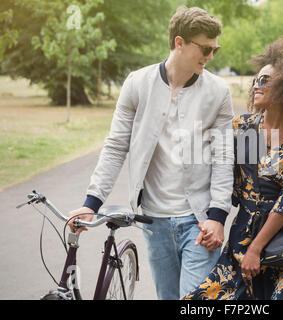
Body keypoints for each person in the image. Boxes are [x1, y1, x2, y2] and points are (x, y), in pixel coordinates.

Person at [67, 6, 235, 300]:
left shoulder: (218, 92)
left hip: (199, 222)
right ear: (179, 42)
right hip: (153, 221)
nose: (210, 57)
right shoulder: (137, 83)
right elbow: (116, 145)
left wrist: (218, 216)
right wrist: (91, 203)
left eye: (215, 51)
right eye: (206, 49)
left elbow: (224, 157)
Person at [184, 33, 283, 300]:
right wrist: (211, 221)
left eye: (266, 80)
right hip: (243, 237)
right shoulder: (245, 128)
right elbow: (229, 183)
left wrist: (256, 249)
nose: (257, 85)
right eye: (257, 79)